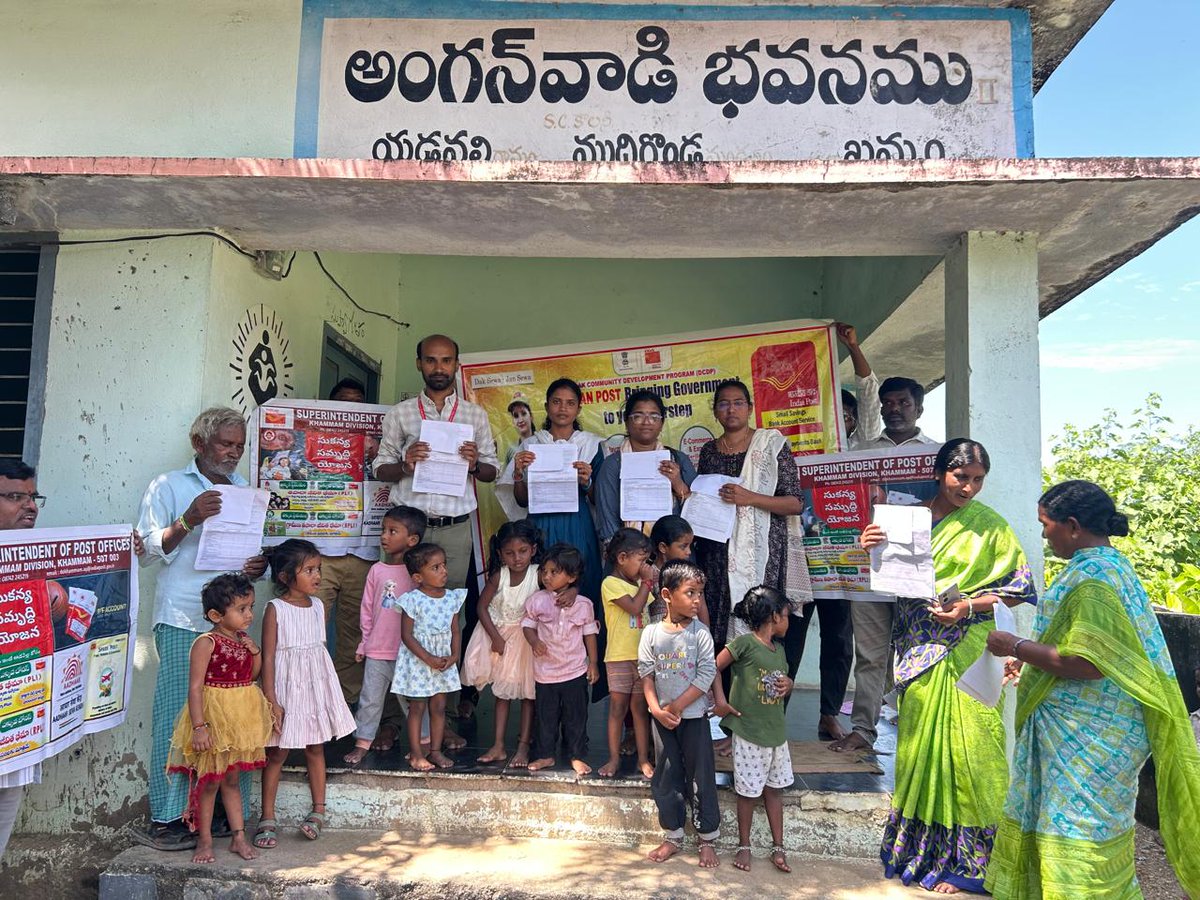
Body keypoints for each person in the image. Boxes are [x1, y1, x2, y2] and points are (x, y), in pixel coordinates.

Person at [984, 481, 1200, 899]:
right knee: (1093, 831)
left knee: (1077, 834)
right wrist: (1029, 658)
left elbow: (1088, 664)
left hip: (1088, 737)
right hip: (1100, 731)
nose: (1044, 535)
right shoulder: (1111, 568)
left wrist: (1017, 645)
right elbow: (1085, 647)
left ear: (1074, 525)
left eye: (1046, 525)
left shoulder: (1092, 576)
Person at [860, 439, 1035, 893]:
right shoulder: (907, 521)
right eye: (962, 477)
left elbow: (1016, 590)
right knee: (921, 749)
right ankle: (922, 852)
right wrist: (871, 547)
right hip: (918, 649)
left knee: (975, 752)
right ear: (941, 473)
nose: (970, 488)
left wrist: (969, 608)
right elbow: (889, 577)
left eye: (978, 480)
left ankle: (973, 866)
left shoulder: (990, 528)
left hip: (970, 650)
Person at [136, 407, 268, 850]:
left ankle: (232, 822)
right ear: (199, 444)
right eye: (224, 444)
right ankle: (169, 818)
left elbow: (250, 557)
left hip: (231, 627)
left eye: (239, 446)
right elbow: (147, 551)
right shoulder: (168, 485)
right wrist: (188, 520)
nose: (233, 453)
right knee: (178, 717)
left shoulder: (246, 492)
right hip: (182, 619)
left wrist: (258, 564)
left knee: (234, 719)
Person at [691, 381, 825, 724]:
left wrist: (750, 498)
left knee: (758, 633)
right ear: (715, 410)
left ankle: (758, 722)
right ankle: (731, 722)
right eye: (723, 404)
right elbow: (706, 499)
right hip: (718, 554)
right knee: (724, 637)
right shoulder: (708, 451)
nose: (730, 410)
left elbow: (795, 503)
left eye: (737, 403)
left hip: (764, 555)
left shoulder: (772, 444)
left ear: (750, 408)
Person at [831, 376, 941, 755]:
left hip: (918, 571)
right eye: (887, 404)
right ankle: (863, 729)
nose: (894, 410)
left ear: (919, 408)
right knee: (871, 654)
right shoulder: (861, 450)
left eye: (903, 403)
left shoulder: (936, 455)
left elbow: (949, 508)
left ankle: (919, 730)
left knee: (920, 651)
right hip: (868, 569)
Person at [373, 334, 499, 592]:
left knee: (449, 605)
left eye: (446, 360)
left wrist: (474, 464)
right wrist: (406, 466)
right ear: (419, 363)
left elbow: (491, 471)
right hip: (407, 530)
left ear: (457, 364)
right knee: (397, 601)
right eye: (430, 360)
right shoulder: (400, 413)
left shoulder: (475, 414)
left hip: (454, 529)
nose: (439, 368)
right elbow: (380, 468)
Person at [166, 574, 273, 864]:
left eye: (250, 607)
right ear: (216, 615)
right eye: (242, 609)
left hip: (239, 719)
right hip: (214, 720)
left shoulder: (242, 640)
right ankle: (204, 840)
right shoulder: (206, 642)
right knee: (210, 781)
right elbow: (195, 687)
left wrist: (256, 654)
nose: (249, 615)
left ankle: (238, 837)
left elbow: (250, 677)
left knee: (233, 779)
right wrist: (199, 727)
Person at [256, 540, 356, 848]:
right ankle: (267, 817)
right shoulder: (275, 609)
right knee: (277, 753)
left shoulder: (318, 606)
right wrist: (272, 699)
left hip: (313, 685)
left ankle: (319, 811)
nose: (317, 576)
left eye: (318, 570)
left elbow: (317, 650)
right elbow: (269, 657)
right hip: (286, 687)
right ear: (286, 577)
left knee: (316, 747)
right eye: (309, 570)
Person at [638, 560, 721, 868]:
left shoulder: (701, 635)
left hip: (693, 718)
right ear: (666, 595)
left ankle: (707, 838)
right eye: (690, 593)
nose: (697, 600)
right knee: (666, 775)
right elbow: (646, 674)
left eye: (700, 593)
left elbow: (705, 676)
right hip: (661, 720)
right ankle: (673, 834)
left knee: (701, 775)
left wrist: (676, 707)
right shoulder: (651, 634)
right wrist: (656, 709)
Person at [498, 378, 604, 603]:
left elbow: (599, 499)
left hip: (578, 522)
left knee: (580, 582)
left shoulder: (591, 445)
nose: (563, 408)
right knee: (540, 585)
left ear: (578, 409)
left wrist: (587, 482)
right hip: (540, 523)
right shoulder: (531, 445)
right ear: (546, 407)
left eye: (569, 403)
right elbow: (522, 501)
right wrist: (518, 473)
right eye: (556, 402)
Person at [716, 586, 795, 874]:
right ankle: (744, 845)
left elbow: (783, 682)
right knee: (748, 793)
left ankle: (778, 846)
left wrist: (789, 685)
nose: (789, 621)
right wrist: (721, 701)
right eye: (786, 615)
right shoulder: (744, 644)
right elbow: (714, 667)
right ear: (774, 616)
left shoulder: (780, 650)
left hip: (776, 734)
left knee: (775, 790)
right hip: (749, 733)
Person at [315, 377, 382, 715]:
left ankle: (343, 705)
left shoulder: (379, 447)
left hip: (363, 554)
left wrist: (372, 455)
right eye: (343, 402)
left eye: (357, 403)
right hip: (319, 555)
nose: (350, 409)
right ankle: (308, 702)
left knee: (354, 636)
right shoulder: (312, 445)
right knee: (309, 632)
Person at [342, 505, 426, 767]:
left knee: (413, 702)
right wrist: (364, 643)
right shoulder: (377, 570)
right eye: (383, 530)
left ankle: (422, 745)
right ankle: (362, 743)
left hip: (408, 652)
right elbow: (367, 610)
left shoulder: (418, 575)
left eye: (393, 531)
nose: (384, 536)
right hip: (378, 649)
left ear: (412, 540)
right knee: (370, 700)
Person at [460, 520, 540, 766]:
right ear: (500, 554)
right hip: (499, 637)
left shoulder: (539, 574)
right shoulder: (499, 575)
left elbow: (559, 591)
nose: (517, 558)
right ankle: (498, 745)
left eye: (523, 551)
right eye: (509, 553)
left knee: (529, 694)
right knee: (501, 694)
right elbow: (481, 607)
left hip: (526, 640)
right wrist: (495, 637)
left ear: (533, 550)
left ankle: (524, 746)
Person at [385, 542, 468, 771]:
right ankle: (415, 753)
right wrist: (427, 658)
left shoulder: (452, 598)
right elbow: (407, 635)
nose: (444, 571)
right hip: (419, 661)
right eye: (436, 567)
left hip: (442, 662)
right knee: (417, 708)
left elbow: (455, 630)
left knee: (439, 707)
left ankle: (435, 751)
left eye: (444, 565)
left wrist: (454, 655)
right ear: (418, 577)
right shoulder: (412, 599)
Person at [0, 461, 47, 860]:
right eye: (16, 497)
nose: (29, 506)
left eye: (32, 497)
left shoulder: (41, 556)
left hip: (16, 723)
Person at [521, 543, 599, 775]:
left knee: (576, 717)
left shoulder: (584, 604)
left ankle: (576, 755)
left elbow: (589, 635)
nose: (547, 576)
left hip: (575, 671)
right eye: (544, 571)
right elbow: (527, 625)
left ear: (572, 576)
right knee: (546, 717)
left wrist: (593, 663)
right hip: (545, 672)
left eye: (555, 572)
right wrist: (534, 641)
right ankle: (546, 755)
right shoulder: (537, 600)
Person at [595, 389, 697, 542]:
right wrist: (627, 554)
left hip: (671, 554)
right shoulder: (613, 464)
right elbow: (607, 517)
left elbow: (696, 511)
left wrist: (677, 483)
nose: (647, 422)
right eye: (638, 416)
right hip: (627, 555)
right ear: (627, 421)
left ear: (662, 422)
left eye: (654, 416)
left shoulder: (677, 459)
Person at [599, 528, 656, 779]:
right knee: (617, 709)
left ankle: (643, 759)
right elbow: (635, 608)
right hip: (620, 656)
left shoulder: (637, 584)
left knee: (640, 710)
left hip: (642, 657)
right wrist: (647, 582)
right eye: (642, 561)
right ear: (622, 558)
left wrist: (644, 583)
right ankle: (613, 758)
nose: (646, 566)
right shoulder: (611, 584)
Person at [835, 322, 882, 449]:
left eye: (843, 416)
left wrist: (853, 346)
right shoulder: (802, 446)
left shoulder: (858, 448)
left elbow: (869, 392)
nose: (835, 423)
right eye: (830, 415)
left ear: (853, 425)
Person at [647, 515, 698, 624]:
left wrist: (705, 631)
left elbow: (701, 606)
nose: (689, 552)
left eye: (690, 546)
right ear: (663, 547)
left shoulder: (689, 572)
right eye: (683, 547)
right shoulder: (650, 574)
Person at [505, 396, 535, 464]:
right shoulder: (511, 450)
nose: (520, 420)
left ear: (531, 417)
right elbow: (506, 474)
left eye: (524, 414)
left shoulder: (543, 442)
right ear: (513, 422)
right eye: (516, 416)